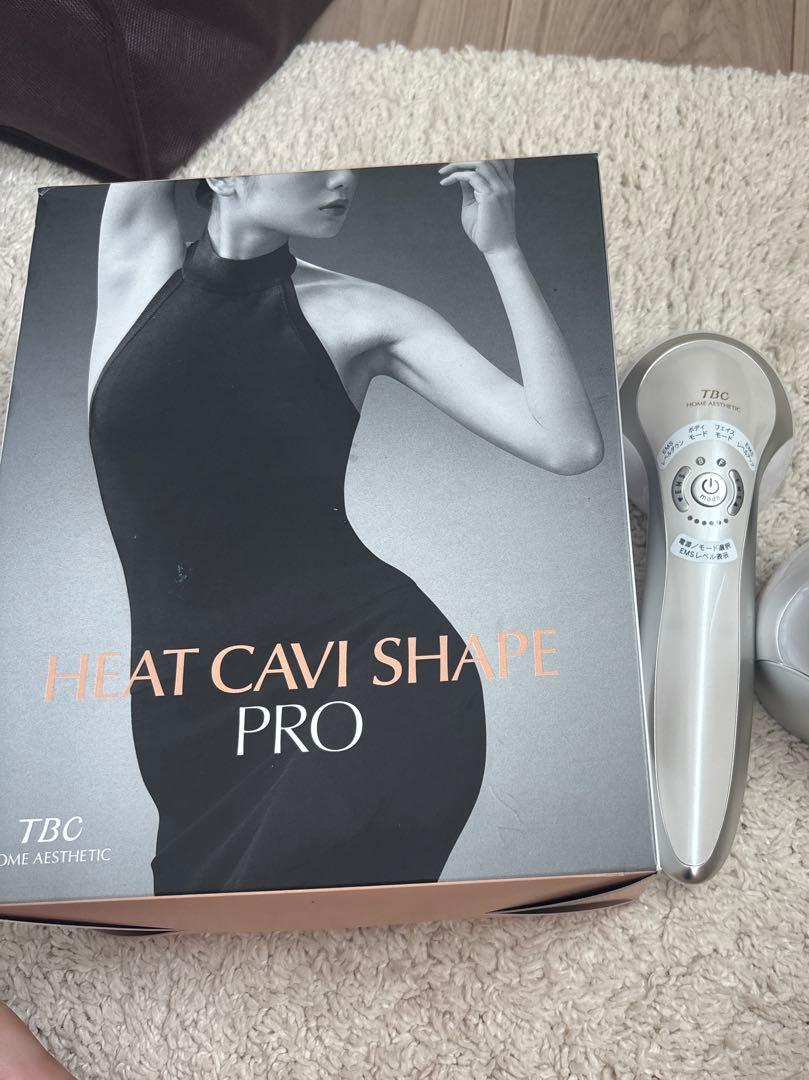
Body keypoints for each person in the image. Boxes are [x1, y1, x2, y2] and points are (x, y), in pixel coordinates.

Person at [87, 160, 603, 895]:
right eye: (314, 159)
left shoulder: (363, 314)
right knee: (204, 923)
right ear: (224, 173)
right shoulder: (135, 261)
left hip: (371, 679)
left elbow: (568, 444)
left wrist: (502, 251)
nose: (344, 178)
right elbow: (142, 126)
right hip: (189, 705)